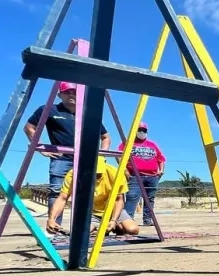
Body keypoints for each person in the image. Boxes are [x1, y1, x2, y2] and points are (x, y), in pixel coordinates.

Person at [24, 81, 112, 225]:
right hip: (61, 158)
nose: (71, 95)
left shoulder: (87, 114)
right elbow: (29, 127)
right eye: (67, 92)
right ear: (60, 95)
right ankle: (54, 226)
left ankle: (84, 227)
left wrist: (101, 156)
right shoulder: (49, 109)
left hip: (85, 160)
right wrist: (40, 147)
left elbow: (106, 137)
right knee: (57, 191)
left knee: (87, 192)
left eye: (74, 92)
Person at [46, 157, 139, 236]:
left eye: (99, 174)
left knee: (132, 229)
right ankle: (99, 227)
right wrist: (51, 219)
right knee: (81, 234)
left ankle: (112, 226)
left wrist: (114, 220)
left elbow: (118, 200)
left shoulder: (115, 173)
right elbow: (62, 198)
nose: (95, 177)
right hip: (90, 213)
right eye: (93, 174)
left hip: (111, 210)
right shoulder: (73, 174)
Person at [119, 122, 165, 226]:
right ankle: (128, 221)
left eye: (144, 130)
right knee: (132, 197)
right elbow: (119, 155)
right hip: (135, 176)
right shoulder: (127, 143)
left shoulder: (152, 145)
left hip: (152, 177)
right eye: (140, 130)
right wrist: (125, 170)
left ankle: (147, 220)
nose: (142, 132)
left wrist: (161, 171)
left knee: (150, 199)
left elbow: (161, 159)